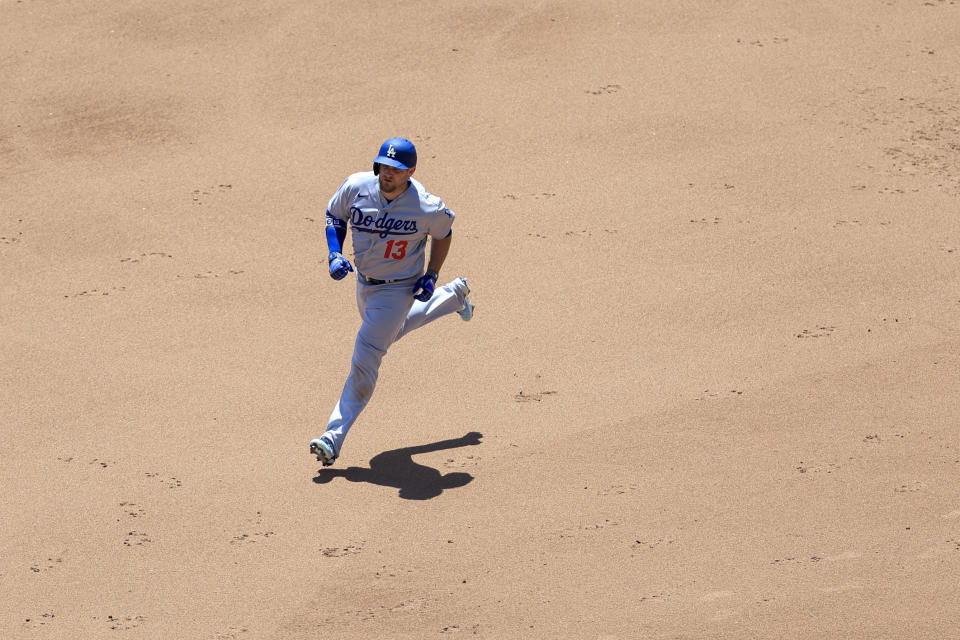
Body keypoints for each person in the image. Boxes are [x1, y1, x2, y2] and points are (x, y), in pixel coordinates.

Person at [310, 137, 474, 467]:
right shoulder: (357, 186)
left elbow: (444, 234)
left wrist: (432, 274)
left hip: (399, 290)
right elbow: (334, 215)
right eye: (384, 166)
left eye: (396, 169)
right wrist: (333, 254)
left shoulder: (426, 205)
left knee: (367, 352)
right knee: (387, 335)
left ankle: (333, 435)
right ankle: (453, 297)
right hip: (365, 285)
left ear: (410, 171)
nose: (387, 173)